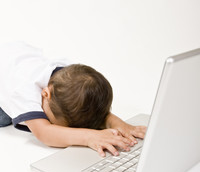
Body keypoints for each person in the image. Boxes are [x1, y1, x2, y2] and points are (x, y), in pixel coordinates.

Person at [0, 41, 146, 157]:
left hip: (17, 56)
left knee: (84, 107)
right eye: (57, 124)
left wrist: (120, 125)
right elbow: (44, 133)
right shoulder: (23, 91)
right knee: (5, 118)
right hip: (9, 70)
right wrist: (89, 137)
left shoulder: (70, 75)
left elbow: (90, 107)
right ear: (45, 94)